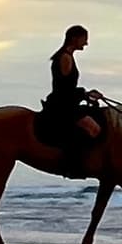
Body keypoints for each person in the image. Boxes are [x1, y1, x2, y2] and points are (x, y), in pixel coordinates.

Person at [37, 25, 96, 159]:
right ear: (74, 38)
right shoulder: (65, 58)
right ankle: (74, 160)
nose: (86, 43)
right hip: (62, 105)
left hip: (66, 102)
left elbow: (67, 87)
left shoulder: (66, 56)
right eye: (84, 39)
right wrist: (84, 94)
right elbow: (64, 90)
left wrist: (86, 94)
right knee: (93, 128)